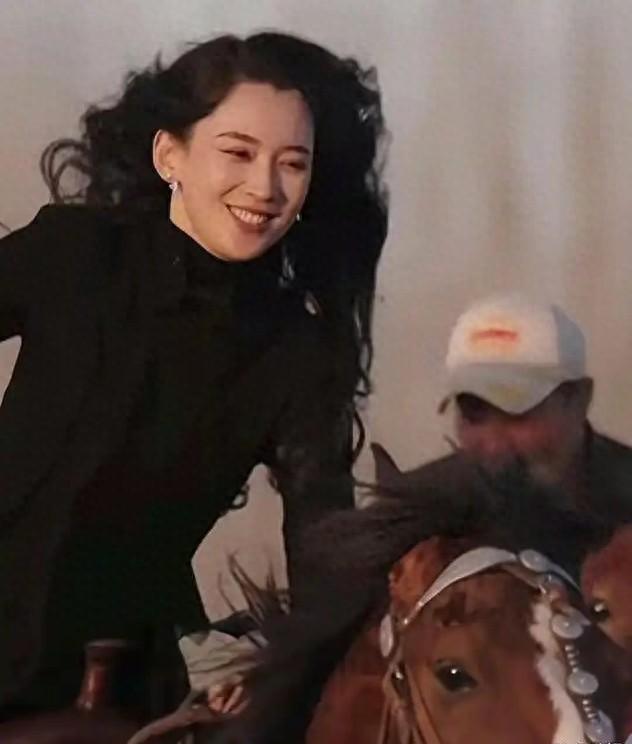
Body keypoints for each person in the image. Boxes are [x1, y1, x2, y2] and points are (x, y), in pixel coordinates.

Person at [0, 31, 388, 718]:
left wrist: (268, 657)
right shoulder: (76, 253)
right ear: (169, 155)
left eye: (293, 164)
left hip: (118, 680)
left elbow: (324, 557)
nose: (265, 187)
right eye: (238, 152)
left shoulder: (294, 349)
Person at [374, 294, 632, 523]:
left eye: (517, 412)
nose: (495, 445)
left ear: (579, 399)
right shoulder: (416, 512)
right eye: (474, 413)